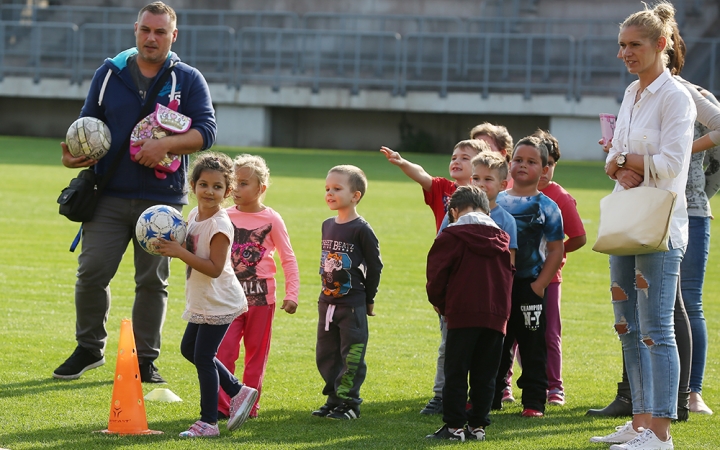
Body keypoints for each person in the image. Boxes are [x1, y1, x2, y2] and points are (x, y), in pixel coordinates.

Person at [53, 1, 217, 383]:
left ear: (173, 36)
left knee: (151, 282)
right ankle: (89, 349)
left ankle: (144, 360)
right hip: (107, 194)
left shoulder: (188, 78)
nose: (152, 38)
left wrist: (166, 146)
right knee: (92, 273)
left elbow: (206, 131)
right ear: (136, 30)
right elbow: (86, 123)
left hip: (162, 200)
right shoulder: (109, 73)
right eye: (146, 30)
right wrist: (71, 153)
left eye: (160, 32)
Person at [587, 21, 720, 420]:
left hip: (661, 226)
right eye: (621, 44)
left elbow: (672, 165)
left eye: (634, 44)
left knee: (657, 330)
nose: (624, 53)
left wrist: (626, 161)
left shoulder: (677, 96)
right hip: (625, 219)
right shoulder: (632, 91)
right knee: (626, 325)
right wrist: (617, 164)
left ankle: (660, 430)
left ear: (661, 44)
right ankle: (638, 422)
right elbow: (615, 156)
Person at [154, 152, 257, 438]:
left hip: (219, 299)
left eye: (217, 187)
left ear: (228, 191)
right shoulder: (194, 215)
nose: (209, 191)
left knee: (203, 356)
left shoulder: (220, 225)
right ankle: (238, 390)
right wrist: (169, 244)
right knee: (190, 349)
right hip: (203, 299)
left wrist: (180, 252)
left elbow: (213, 268)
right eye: (203, 184)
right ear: (192, 185)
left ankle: (208, 422)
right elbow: (188, 246)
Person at [380, 139, 487, 415]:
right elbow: (422, 176)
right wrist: (402, 162)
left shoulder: (488, 196)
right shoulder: (445, 189)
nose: (457, 161)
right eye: (454, 156)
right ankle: (444, 395)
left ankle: (482, 394)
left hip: (477, 278)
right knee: (448, 339)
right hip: (450, 276)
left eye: (465, 157)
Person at [425, 186, 514, 442]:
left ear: (454, 211)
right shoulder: (502, 238)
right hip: (496, 315)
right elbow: (509, 276)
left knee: (456, 370)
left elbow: (436, 276)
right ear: (487, 210)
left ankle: (454, 427)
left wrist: (442, 305)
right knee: (485, 374)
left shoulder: (451, 237)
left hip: (462, 312)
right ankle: (478, 427)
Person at [216, 154, 300, 419]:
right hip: (228, 300)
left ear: (261, 188)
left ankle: (247, 405)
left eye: (243, 184)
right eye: (233, 183)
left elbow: (288, 258)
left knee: (255, 357)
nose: (235, 190)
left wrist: (292, 294)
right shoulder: (223, 216)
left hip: (262, 301)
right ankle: (222, 406)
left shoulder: (272, 219)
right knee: (224, 352)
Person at [491, 135, 564, 418]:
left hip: (528, 287)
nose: (523, 165)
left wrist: (539, 285)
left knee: (533, 347)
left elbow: (556, 250)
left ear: (544, 169)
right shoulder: (495, 201)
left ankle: (534, 402)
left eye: (531, 162)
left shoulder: (548, 207)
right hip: (497, 288)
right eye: (518, 160)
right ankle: (490, 397)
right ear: (509, 164)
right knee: (494, 345)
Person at [313, 165, 383, 420]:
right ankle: (334, 399)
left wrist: (369, 299)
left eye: (337, 189)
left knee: (351, 356)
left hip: (352, 305)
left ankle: (350, 403)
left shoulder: (361, 229)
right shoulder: (327, 224)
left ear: (356, 196)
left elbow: (375, 266)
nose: (330, 193)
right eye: (327, 189)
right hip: (327, 303)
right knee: (326, 355)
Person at [534, 130, 586, 406]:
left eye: (549, 163)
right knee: (513, 332)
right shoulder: (511, 191)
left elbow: (579, 236)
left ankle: (555, 387)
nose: (542, 169)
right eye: (534, 162)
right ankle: (504, 383)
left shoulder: (560, 197)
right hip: (515, 275)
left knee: (549, 332)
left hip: (549, 278)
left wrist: (554, 253)